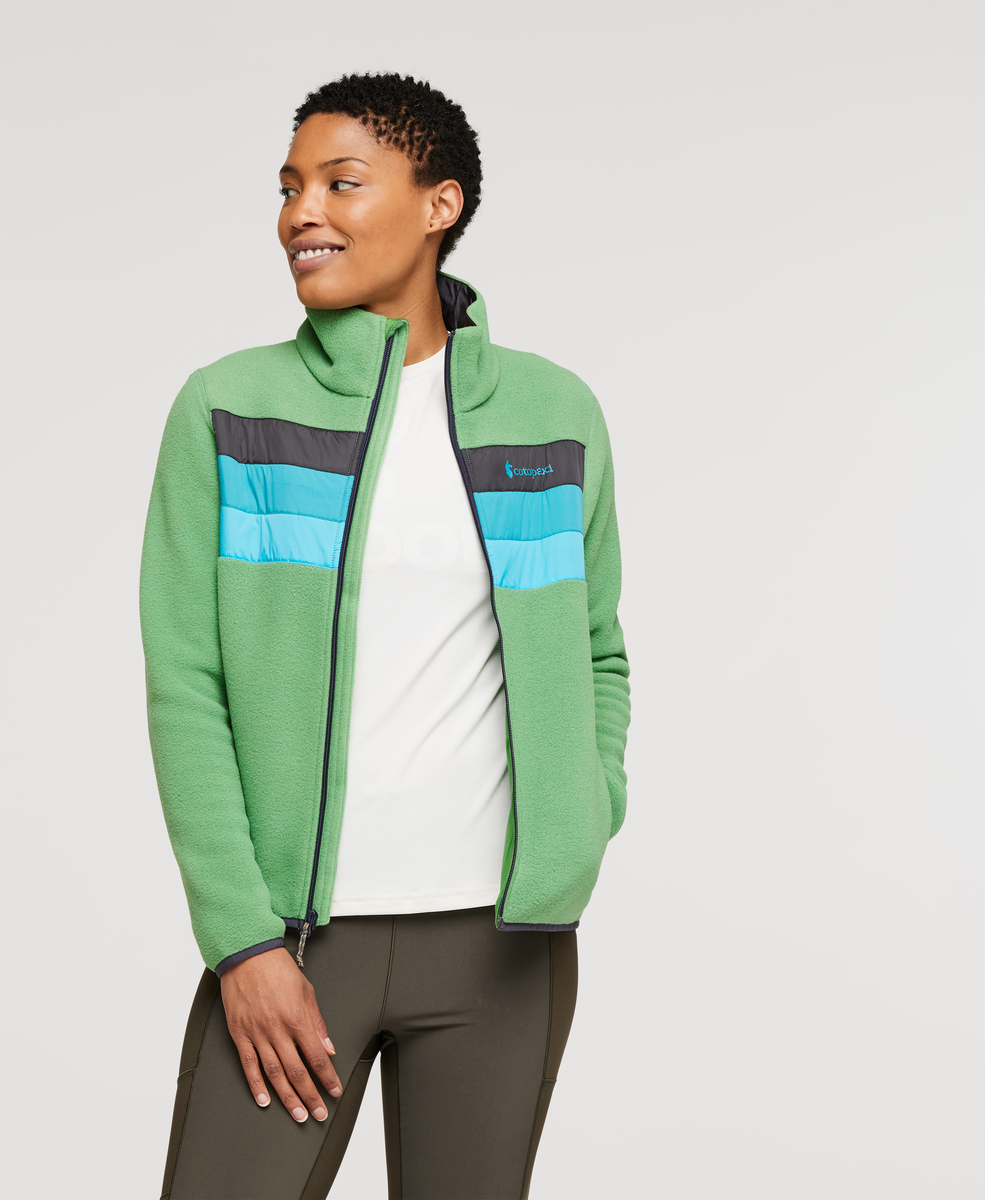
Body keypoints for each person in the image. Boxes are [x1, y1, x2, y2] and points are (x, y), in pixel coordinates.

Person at [140, 72, 631, 1200]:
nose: (301, 213)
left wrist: (582, 816)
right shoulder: (229, 409)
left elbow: (597, 649)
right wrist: (242, 942)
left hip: (502, 945)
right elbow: (186, 684)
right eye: (289, 188)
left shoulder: (554, 414)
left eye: (342, 182)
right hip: (296, 941)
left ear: (439, 204)